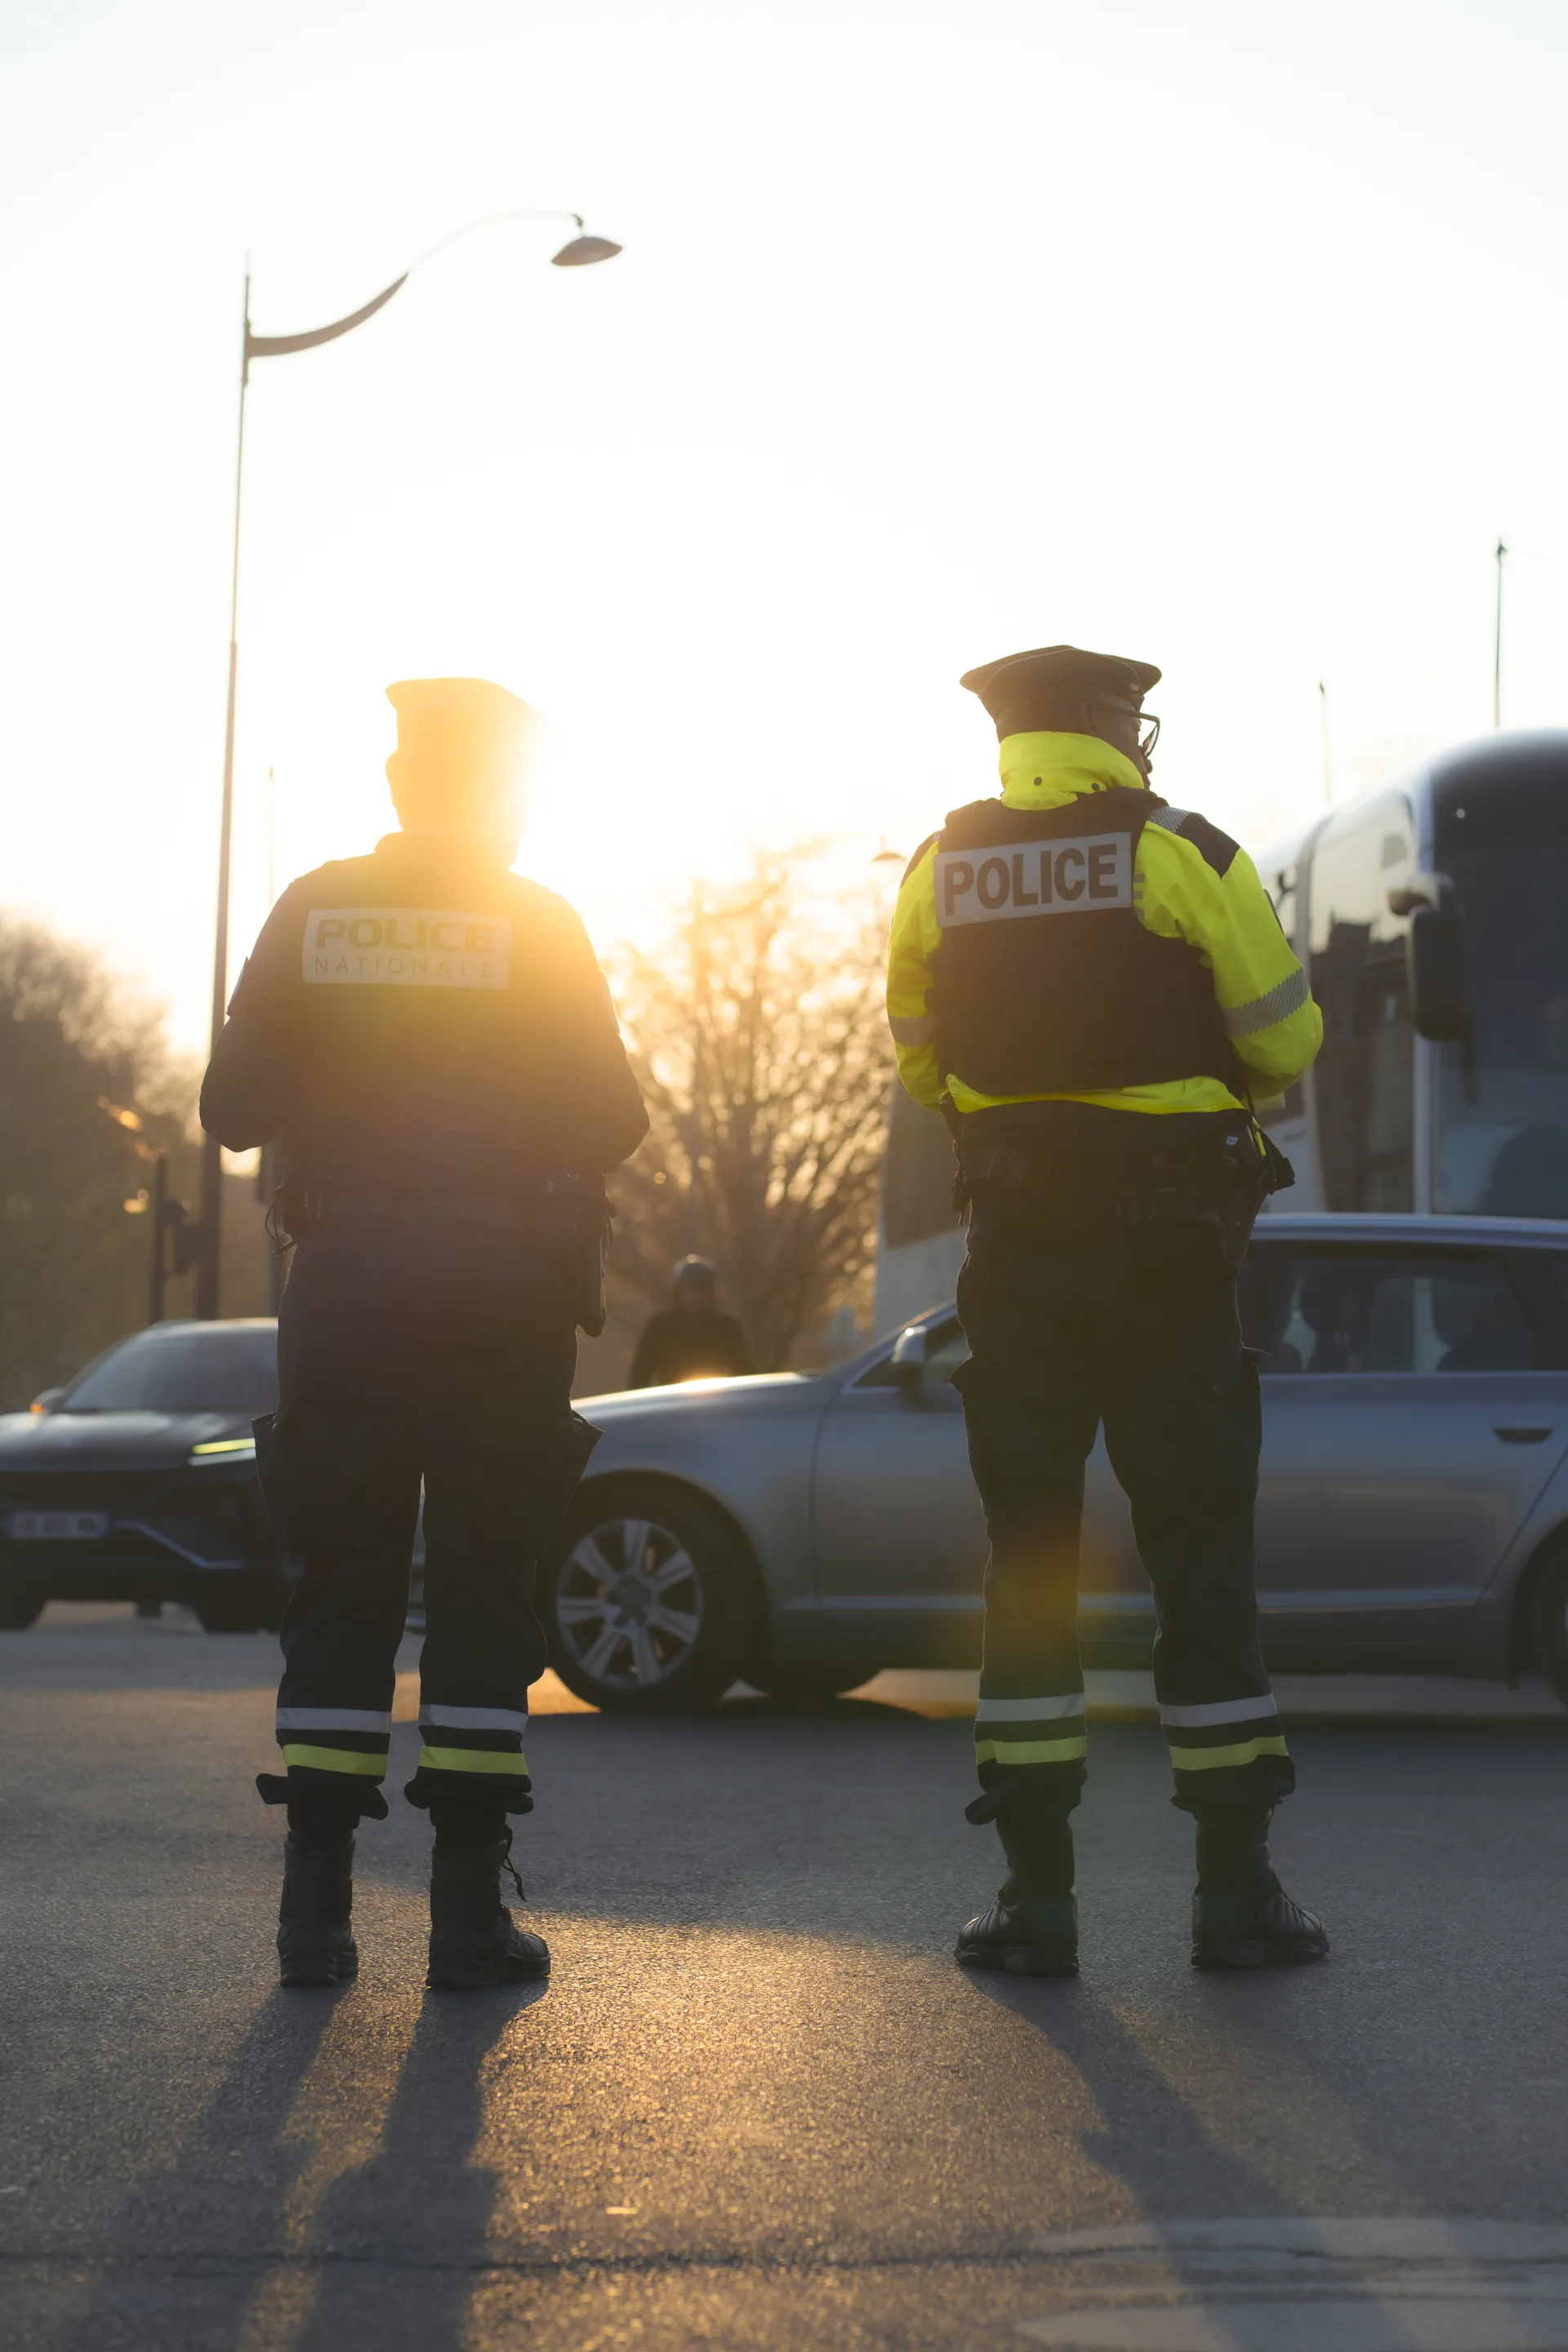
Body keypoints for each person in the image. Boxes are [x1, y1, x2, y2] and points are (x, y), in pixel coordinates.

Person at [886, 644, 1328, 1974]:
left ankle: (1036, 1903)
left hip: (1016, 1258)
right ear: (1101, 726)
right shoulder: (1182, 851)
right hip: (1167, 1257)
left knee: (1027, 1567)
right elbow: (1284, 1040)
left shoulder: (937, 871)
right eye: (1131, 721)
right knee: (1201, 1558)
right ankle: (1236, 1895)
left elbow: (920, 1058)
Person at [201, 677, 648, 1990]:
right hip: (503, 1287)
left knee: (340, 1583)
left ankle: (315, 1919)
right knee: (481, 1588)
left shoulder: (313, 910)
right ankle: (464, 1920)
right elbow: (614, 1119)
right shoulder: (539, 922)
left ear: (400, 789)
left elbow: (233, 1107)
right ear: (506, 805)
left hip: (343, 1280)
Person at [628, 1255, 751, 1388]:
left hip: (716, 1401)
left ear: (710, 1293)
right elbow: (640, 1375)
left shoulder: (727, 1328)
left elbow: (744, 1373)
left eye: (701, 1289)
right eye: (690, 1289)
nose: (696, 1296)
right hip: (671, 1401)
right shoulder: (660, 1327)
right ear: (679, 1291)